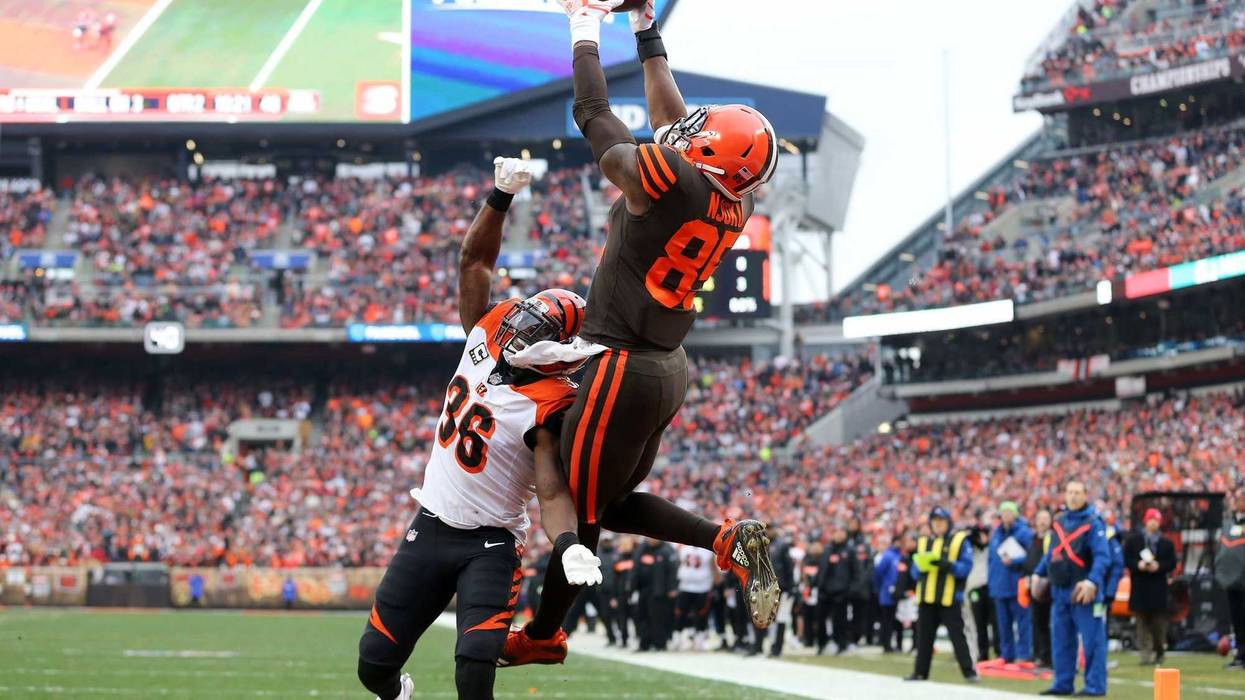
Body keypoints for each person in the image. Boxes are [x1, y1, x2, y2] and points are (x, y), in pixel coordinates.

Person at [505, 0, 782, 665]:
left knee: (580, 508)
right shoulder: (732, 197)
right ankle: (724, 541)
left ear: (707, 150)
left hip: (619, 365)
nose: (687, 129)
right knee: (611, 497)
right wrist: (642, 27)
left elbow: (596, 119)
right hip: (663, 368)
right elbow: (672, 123)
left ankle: (542, 635)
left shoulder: (672, 178)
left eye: (700, 132)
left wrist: (581, 29)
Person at [356, 158, 603, 700]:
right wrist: (498, 196)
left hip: (490, 543)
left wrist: (566, 544)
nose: (518, 326)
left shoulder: (552, 400)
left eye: (535, 329)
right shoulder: (488, 332)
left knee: (474, 670)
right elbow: (474, 260)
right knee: (373, 667)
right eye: (525, 317)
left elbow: (553, 487)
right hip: (431, 523)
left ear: (559, 353)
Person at [1034, 480, 1110, 697]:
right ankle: (1062, 683)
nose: (1073, 496)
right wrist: (1037, 574)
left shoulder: (1094, 523)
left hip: (1084, 592)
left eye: (1078, 492)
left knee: (1092, 641)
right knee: (1061, 640)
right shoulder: (1059, 521)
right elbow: (1052, 553)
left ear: (1086, 494)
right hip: (1060, 591)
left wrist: (1092, 582)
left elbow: (1103, 557)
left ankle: (1095, 686)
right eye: (1070, 492)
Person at [905, 507, 980, 683]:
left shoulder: (959, 541)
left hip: (949, 598)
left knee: (958, 637)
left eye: (941, 522)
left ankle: (969, 672)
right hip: (927, 597)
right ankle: (920, 672)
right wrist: (921, 569)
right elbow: (914, 571)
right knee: (923, 638)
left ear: (948, 523)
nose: (938, 525)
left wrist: (948, 565)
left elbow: (966, 568)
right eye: (934, 522)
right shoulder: (924, 542)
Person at [1124, 508, 1177, 666]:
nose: (1153, 523)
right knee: (1141, 623)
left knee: (1158, 624)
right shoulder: (1134, 541)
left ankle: (1159, 652)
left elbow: (1172, 563)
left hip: (1157, 587)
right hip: (1140, 586)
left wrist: (1159, 566)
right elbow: (1127, 559)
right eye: (1151, 519)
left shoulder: (1166, 543)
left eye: (1156, 520)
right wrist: (1138, 565)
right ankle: (1145, 656)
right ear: (1146, 521)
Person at [988, 501, 1033, 664]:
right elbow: (992, 561)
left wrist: (1015, 561)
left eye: (1009, 512)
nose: (1006, 515)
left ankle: (1023, 653)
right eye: (1003, 512)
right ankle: (1007, 654)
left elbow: (1032, 557)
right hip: (999, 586)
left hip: (1017, 584)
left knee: (1023, 623)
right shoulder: (996, 534)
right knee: (1003, 624)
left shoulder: (1024, 533)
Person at [1217, 485, 1245, 670]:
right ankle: (1241, 654)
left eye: (1240, 497)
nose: (1236, 501)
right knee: (1238, 620)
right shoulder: (1230, 523)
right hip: (1232, 581)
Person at [633, 538, 678, 651]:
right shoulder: (642, 549)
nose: (650, 540)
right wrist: (632, 586)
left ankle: (660, 644)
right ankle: (644, 643)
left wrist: (672, 587)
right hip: (643, 589)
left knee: (658, 618)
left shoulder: (667, 550)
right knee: (642, 617)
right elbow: (635, 568)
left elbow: (673, 570)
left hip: (659, 590)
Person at [817, 525, 854, 655]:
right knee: (821, 619)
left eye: (841, 531)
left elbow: (855, 571)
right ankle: (822, 644)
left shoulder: (849, 550)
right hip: (825, 590)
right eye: (836, 531)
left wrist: (849, 589)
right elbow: (822, 569)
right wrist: (819, 585)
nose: (838, 534)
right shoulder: (827, 549)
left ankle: (841, 645)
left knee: (840, 621)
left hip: (841, 592)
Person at [674, 542, 716, 651]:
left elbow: (713, 567)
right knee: (680, 613)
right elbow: (677, 564)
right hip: (685, 585)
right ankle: (678, 639)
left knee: (701, 614)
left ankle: (700, 641)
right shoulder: (682, 548)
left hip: (703, 587)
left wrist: (716, 583)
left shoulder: (709, 550)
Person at [1026, 509, 1054, 668]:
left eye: (1045, 518)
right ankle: (1039, 654)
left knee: (1048, 622)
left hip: (1046, 586)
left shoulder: (1051, 538)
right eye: (1040, 518)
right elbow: (1029, 560)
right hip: (1033, 585)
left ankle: (1048, 656)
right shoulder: (1033, 539)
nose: (1042, 522)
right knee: (1037, 622)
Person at [875, 531, 911, 653]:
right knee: (887, 620)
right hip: (887, 594)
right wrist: (883, 588)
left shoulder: (899, 556)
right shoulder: (889, 556)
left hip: (897, 594)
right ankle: (886, 644)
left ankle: (895, 644)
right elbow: (879, 573)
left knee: (896, 620)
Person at [966, 524, 994, 662]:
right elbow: (968, 539)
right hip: (975, 587)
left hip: (990, 587)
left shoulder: (992, 547)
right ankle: (982, 653)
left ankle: (999, 652)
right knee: (979, 622)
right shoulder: (971, 548)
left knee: (995, 622)